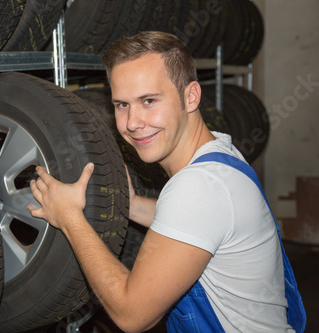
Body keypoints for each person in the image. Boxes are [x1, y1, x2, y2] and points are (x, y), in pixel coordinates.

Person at [27, 31, 303, 332]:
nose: (132, 122)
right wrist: (131, 206)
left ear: (191, 96)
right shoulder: (221, 155)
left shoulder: (198, 188)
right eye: (122, 105)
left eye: (148, 101)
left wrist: (69, 218)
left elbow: (131, 315)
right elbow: (198, 224)